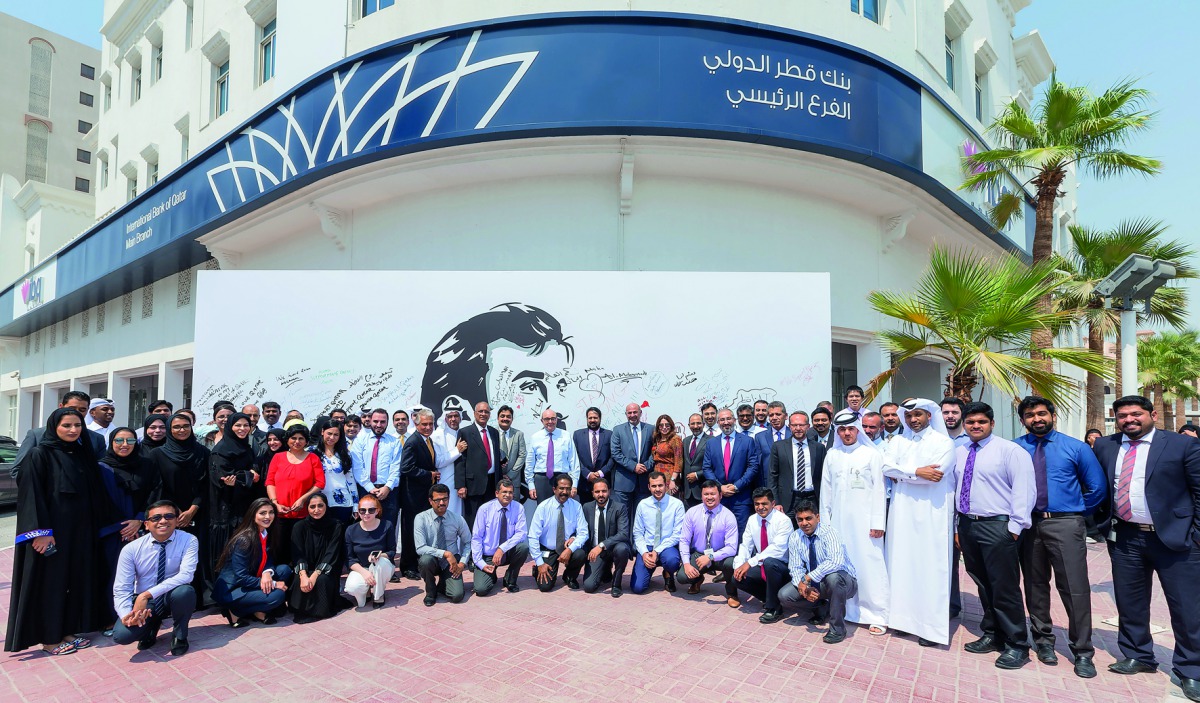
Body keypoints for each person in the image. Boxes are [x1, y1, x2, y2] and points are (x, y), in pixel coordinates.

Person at [1092, 395, 1200, 700]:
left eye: (1135, 414)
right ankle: (1138, 655)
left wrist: (1197, 534)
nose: (1129, 420)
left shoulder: (1182, 445)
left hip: (1176, 540)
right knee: (1130, 602)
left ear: (1152, 414)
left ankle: (1191, 669)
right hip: (1126, 538)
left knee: (1186, 608)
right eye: (1122, 415)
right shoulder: (1105, 445)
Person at [5, 408, 114, 655]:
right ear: (54, 426)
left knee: (72, 582)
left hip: (80, 534)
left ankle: (66, 630)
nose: (73, 430)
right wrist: (41, 532)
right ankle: (50, 639)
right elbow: (31, 495)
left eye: (77, 425)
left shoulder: (80, 454)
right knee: (50, 584)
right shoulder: (39, 454)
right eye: (67, 425)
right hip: (50, 535)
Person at [1012, 395, 1106, 677]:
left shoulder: (1075, 447)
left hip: (1065, 524)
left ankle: (1082, 651)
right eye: (1030, 415)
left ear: (1053, 415)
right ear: (1023, 420)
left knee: (1074, 588)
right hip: (1029, 525)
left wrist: (1073, 512)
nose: (1036, 419)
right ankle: (1043, 642)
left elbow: (1097, 487)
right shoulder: (1015, 449)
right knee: (1034, 585)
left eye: (1042, 413)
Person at [955, 401, 1036, 670]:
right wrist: (958, 526)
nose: (975, 426)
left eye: (981, 422)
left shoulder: (1010, 451)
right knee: (983, 584)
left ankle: (1017, 644)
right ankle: (993, 634)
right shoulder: (961, 451)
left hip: (998, 527)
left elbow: (1024, 491)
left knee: (1005, 587)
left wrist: (1014, 529)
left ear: (992, 423)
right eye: (970, 422)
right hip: (968, 525)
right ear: (964, 424)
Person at [882, 397, 958, 647]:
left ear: (928, 415)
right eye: (909, 416)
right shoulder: (898, 441)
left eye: (918, 415)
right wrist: (916, 472)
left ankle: (930, 627)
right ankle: (903, 621)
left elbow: (936, 475)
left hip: (931, 515)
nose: (913, 420)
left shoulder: (943, 442)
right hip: (902, 512)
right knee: (901, 565)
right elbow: (886, 467)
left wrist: (904, 473)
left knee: (930, 567)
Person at [820, 411, 889, 634]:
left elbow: (879, 490)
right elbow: (826, 492)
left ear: (858, 429)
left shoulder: (871, 454)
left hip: (866, 524)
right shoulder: (832, 454)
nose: (847, 433)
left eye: (850, 429)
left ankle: (876, 614)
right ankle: (846, 610)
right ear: (837, 432)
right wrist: (826, 525)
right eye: (842, 429)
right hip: (839, 524)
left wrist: (878, 522)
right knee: (842, 566)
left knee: (870, 565)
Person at [111, 500, 198, 656]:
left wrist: (146, 594)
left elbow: (186, 575)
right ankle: (150, 627)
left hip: (170, 596)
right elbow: (122, 587)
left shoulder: (189, 540)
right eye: (156, 518)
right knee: (122, 635)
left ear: (177, 520)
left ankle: (180, 636)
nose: (163, 521)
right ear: (146, 524)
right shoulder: (131, 549)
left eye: (169, 516)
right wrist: (126, 615)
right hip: (146, 604)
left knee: (185, 592)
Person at [146, 412, 211, 608]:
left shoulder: (202, 452)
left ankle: (196, 601)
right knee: (171, 559)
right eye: (176, 427)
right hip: (168, 516)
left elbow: (206, 485)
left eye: (185, 426)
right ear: (169, 430)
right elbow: (156, 487)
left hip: (197, 513)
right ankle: (168, 602)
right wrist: (172, 514)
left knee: (195, 557)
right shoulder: (157, 454)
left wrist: (192, 510)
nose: (181, 430)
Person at [97, 427, 161, 627]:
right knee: (113, 574)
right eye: (119, 440)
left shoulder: (147, 465)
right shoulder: (101, 467)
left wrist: (140, 519)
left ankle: (146, 613)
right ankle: (110, 618)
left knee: (145, 573)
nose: (125, 445)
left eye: (130, 441)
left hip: (142, 526)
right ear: (111, 442)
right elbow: (99, 500)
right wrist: (124, 525)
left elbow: (155, 491)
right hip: (112, 530)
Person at [779, 500, 858, 644]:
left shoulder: (830, 533)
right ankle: (822, 606)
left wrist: (808, 577)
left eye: (808, 518)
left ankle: (837, 629)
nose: (804, 523)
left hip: (845, 582)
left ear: (818, 517)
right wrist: (804, 587)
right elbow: (795, 567)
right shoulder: (795, 537)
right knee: (785, 595)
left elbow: (836, 562)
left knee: (833, 578)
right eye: (800, 519)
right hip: (817, 583)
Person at [212, 498, 293, 626]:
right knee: (277, 596)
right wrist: (274, 583)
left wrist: (267, 573)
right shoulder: (244, 539)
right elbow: (241, 577)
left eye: (271, 512)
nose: (268, 516)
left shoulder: (265, 532)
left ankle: (256, 610)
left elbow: (268, 557)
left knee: (284, 570)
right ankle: (235, 611)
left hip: (252, 578)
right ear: (253, 514)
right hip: (233, 589)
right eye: (262, 513)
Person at [209, 412, 263, 577]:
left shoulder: (246, 447)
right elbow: (223, 478)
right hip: (227, 509)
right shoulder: (220, 451)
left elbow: (254, 469)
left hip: (245, 506)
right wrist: (248, 475)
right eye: (238, 425)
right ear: (230, 427)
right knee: (228, 550)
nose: (242, 429)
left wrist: (249, 474)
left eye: (246, 425)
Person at [10, 390, 105, 481]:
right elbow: (17, 470)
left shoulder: (96, 439)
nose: (76, 413)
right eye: (71, 408)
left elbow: (100, 471)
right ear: (61, 407)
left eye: (82, 409)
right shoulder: (37, 435)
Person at [265, 426, 325, 564]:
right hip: (280, 513)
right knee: (279, 549)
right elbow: (270, 482)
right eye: (293, 438)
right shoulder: (278, 457)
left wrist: (303, 500)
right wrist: (275, 503)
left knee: (300, 550)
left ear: (306, 441)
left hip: (302, 514)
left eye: (301, 438)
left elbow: (320, 483)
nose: (297, 441)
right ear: (288, 440)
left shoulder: (313, 458)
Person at [675, 480, 739, 605]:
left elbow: (732, 548)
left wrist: (710, 556)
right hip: (699, 554)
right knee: (682, 577)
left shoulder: (728, 516)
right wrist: (687, 564)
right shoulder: (692, 512)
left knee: (731, 563)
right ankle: (697, 580)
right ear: (701, 495)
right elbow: (684, 540)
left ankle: (732, 594)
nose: (709, 497)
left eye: (713, 494)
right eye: (706, 494)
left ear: (720, 495)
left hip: (721, 556)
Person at [732, 488, 791, 623]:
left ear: (773, 503)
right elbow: (746, 545)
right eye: (757, 504)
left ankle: (774, 609)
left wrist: (750, 563)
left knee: (769, 562)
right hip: (762, 564)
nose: (760, 507)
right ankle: (769, 598)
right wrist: (739, 565)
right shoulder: (752, 520)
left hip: (782, 567)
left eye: (764, 504)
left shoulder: (783, 521)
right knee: (737, 578)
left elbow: (777, 549)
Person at [288, 492, 347, 623]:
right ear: (307, 508)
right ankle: (302, 610)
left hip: (327, 568)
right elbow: (297, 554)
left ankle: (319, 610)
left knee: (322, 581)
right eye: (312, 506)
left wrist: (315, 575)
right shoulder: (299, 527)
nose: (316, 510)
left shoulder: (336, 526)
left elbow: (332, 553)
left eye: (320, 506)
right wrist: (304, 575)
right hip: (305, 568)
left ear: (326, 506)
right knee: (299, 581)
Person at [702, 408, 760, 534]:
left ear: (734, 420)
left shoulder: (747, 441)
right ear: (718, 422)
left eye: (728, 419)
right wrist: (719, 487)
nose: (726, 422)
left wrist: (736, 486)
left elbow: (753, 467)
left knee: (740, 533)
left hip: (741, 498)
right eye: (722, 419)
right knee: (718, 532)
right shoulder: (711, 443)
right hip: (718, 497)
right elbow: (707, 468)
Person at [527, 472, 589, 592]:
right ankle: (537, 570)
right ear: (554, 489)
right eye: (561, 488)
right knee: (545, 587)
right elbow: (533, 537)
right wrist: (539, 563)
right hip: (548, 550)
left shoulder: (576, 506)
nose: (564, 492)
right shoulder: (543, 507)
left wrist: (570, 549)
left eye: (567, 489)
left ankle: (569, 576)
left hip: (566, 548)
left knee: (580, 553)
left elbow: (584, 532)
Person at [399, 409, 442, 579]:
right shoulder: (413, 442)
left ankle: (419, 563)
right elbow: (406, 468)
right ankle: (407, 567)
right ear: (416, 425)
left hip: (423, 495)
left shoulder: (427, 440)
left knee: (421, 531)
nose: (428, 427)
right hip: (412, 497)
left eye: (430, 424)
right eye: (424, 424)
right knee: (410, 532)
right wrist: (428, 474)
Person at [414, 484, 473, 606]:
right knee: (425, 560)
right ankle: (430, 592)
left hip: (451, 563)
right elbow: (420, 548)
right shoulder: (421, 518)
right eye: (437, 500)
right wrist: (445, 553)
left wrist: (462, 563)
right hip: (433, 560)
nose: (442, 503)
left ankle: (442, 585)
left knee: (457, 596)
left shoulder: (457, 519)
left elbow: (468, 542)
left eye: (445, 499)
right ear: (430, 501)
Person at [470, 478, 529, 596]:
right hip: (488, 555)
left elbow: (521, 533)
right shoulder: (485, 509)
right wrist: (480, 563)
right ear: (497, 493)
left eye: (510, 492)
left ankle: (510, 579)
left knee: (523, 547)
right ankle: (491, 575)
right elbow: (476, 538)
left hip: (507, 552)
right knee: (481, 590)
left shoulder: (518, 508)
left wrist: (502, 548)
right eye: (504, 492)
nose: (508, 495)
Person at [630, 471, 685, 594]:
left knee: (672, 561)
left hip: (667, 546)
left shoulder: (677, 505)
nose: (657, 489)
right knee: (638, 588)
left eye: (660, 485)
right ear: (649, 487)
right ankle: (647, 572)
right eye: (654, 486)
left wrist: (657, 550)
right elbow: (638, 533)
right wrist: (644, 553)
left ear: (666, 485)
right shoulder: (643, 505)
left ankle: (668, 573)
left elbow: (677, 534)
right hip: (648, 546)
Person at [768, 411, 826, 522]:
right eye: (794, 425)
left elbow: (824, 476)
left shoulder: (819, 448)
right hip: (788, 501)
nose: (798, 428)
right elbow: (772, 476)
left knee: (813, 531)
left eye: (801, 425)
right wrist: (776, 502)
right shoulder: (779, 447)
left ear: (808, 427)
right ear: (789, 426)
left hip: (812, 498)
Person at [350, 408, 403, 529]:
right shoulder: (359, 441)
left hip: (389, 492)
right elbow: (358, 467)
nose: (379, 425)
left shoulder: (394, 442)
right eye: (376, 421)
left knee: (388, 528)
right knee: (366, 528)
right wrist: (370, 487)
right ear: (370, 421)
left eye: (382, 422)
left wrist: (387, 487)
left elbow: (396, 467)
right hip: (365, 490)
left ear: (387, 423)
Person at [455, 401, 504, 527]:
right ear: (474, 413)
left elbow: (495, 455)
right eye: (480, 411)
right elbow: (460, 461)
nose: (483, 414)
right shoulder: (465, 432)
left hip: (492, 483)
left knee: (491, 520)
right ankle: (473, 547)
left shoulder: (494, 432)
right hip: (473, 485)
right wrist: (461, 485)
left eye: (486, 412)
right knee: (473, 521)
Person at [343, 494, 397, 608]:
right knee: (352, 588)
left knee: (380, 563)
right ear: (358, 511)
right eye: (362, 510)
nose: (366, 513)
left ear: (377, 511)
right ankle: (365, 591)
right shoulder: (351, 530)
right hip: (361, 568)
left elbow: (392, 551)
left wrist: (380, 555)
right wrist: (364, 573)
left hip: (382, 566)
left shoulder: (387, 525)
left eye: (371, 510)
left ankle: (379, 595)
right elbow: (349, 559)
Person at [580, 477, 630, 597]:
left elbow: (623, 533)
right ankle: (605, 569)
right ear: (592, 493)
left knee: (622, 549)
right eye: (597, 492)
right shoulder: (587, 508)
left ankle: (616, 584)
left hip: (613, 549)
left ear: (609, 491)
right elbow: (580, 528)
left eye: (604, 491)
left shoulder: (620, 507)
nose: (601, 494)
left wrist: (602, 546)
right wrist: (572, 537)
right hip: (596, 552)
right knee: (589, 586)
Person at [610, 403, 655, 534]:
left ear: (641, 413)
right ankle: (625, 547)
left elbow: (655, 452)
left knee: (642, 517)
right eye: (629, 413)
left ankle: (638, 548)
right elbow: (615, 453)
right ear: (626, 414)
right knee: (623, 518)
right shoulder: (618, 430)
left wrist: (646, 466)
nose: (632, 415)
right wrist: (633, 466)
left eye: (635, 412)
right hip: (624, 482)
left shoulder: (651, 429)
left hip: (643, 480)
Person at [526, 408, 579, 503]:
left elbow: (573, 461)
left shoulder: (566, 436)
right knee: (543, 510)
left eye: (553, 419)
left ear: (556, 420)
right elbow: (530, 463)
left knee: (563, 509)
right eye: (546, 419)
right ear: (542, 421)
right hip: (542, 479)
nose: (550, 422)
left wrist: (574, 484)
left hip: (562, 478)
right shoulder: (535, 437)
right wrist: (531, 485)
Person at [311, 421, 357, 524]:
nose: (332, 437)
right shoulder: (311, 452)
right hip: (319, 502)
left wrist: (356, 504)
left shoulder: (345, 454)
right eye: (329, 433)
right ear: (322, 432)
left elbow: (350, 479)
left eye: (336, 435)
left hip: (343, 502)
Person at [430, 402, 468, 515]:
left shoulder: (464, 433)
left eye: (456, 416)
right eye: (449, 416)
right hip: (446, 481)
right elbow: (438, 461)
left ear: (460, 418)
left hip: (464, 483)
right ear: (445, 418)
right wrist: (457, 450)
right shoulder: (438, 435)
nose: (453, 419)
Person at [573, 407, 613, 505]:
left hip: (604, 482)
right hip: (584, 483)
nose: (592, 420)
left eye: (595, 418)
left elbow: (613, 457)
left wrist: (601, 473)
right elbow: (574, 457)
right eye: (590, 418)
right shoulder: (578, 435)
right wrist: (587, 474)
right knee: (585, 512)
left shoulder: (609, 434)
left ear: (600, 418)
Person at [680, 414, 711, 508]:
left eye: (698, 423)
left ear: (704, 424)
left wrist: (698, 475)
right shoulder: (685, 441)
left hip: (704, 489)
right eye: (693, 424)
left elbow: (714, 465)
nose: (696, 426)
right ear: (689, 425)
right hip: (687, 492)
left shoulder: (711, 441)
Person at [649, 415, 683, 498]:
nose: (664, 427)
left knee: (668, 503)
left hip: (669, 476)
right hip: (657, 473)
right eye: (661, 425)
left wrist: (673, 480)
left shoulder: (675, 439)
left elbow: (678, 461)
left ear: (671, 426)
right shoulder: (657, 439)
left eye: (667, 425)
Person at [496, 405, 527, 499]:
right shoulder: (492, 433)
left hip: (513, 480)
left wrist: (511, 474)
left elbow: (522, 455)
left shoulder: (518, 434)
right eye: (502, 416)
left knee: (514, 510)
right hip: (495, 480)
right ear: (497, 418)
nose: (505, 418)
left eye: (508, 416)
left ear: (512, 419)